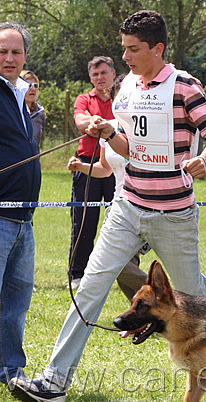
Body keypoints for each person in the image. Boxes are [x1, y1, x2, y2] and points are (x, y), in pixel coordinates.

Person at [10, 10, 206, 402]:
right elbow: (129, 147)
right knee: (90, 286)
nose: (125, 57)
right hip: (127, 206)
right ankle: (54, 384)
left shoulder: (184, 86)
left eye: (133, 49)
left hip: (174, 214)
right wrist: (110, 132)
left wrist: (205, 160)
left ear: (157, 48)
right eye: (123, 48)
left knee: (195, 295)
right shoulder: (127, 85)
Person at [67, 73, 148, 302]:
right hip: (120, 208)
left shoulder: (147, 126)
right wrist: (81, 166)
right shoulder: (108, 128)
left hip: (153, 203)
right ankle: (148, 309)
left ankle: (167, 298)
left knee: (186, 275)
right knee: (120, 267)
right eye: (121, 96)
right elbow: (105, 168)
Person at [0, 22, 40, 387]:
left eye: (16, 52)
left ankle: (11, 368)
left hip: (23, 218)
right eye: (2, 51)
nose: (9, 58)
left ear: (25, 56)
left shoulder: (22, 94)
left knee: (16, 302)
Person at [69, 56, 118, 289]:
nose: (100, 78)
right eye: (95, 74)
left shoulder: (121, 98)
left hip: (116, 164)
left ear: (113, 74)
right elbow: (80, 121)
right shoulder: (83, 99)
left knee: (118, 220)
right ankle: (77, 273)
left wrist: (104, 124)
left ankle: (121, 273)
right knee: (84, 221)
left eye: (104, 73)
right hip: (86, 163)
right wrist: (98, 123)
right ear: (90, 77)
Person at [19, 70, 45, 150]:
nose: (33, 89)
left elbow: (39, 144)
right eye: (29, 85)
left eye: (35, 85)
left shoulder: (40, 114)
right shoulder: (9, 111)